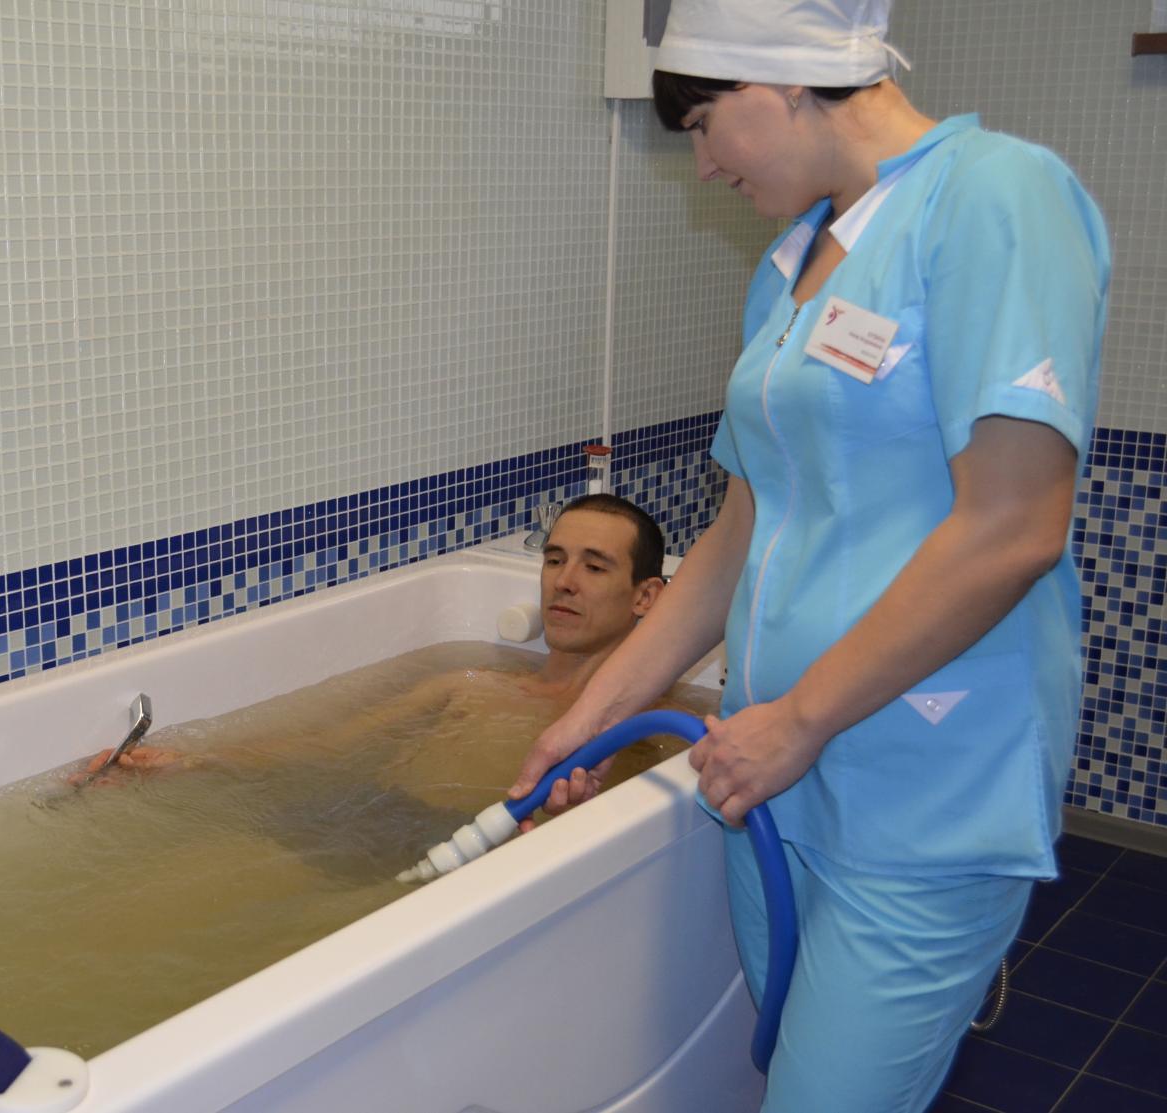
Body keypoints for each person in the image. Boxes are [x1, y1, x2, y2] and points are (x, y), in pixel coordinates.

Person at [508, 2, 1110, 1111]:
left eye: (703, 126)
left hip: (920, 788)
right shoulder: (795, 259)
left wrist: (803, 718)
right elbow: (740, 533)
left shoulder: (995, 197)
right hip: (771, 781)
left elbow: (1017, 526)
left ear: (780, 79)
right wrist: (592, 713)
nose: (702, 167)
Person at [83, 495, 710, 798]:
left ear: (646, 597)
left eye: (595, 567)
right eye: (554, 559)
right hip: (381, 825)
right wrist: (191, 760)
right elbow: (329, 745)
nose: (564, 581)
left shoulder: (654, 724)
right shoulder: (468, 684)